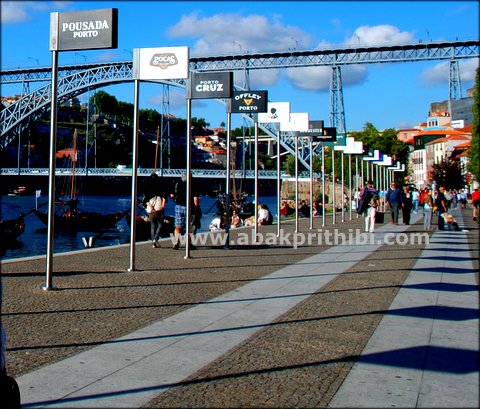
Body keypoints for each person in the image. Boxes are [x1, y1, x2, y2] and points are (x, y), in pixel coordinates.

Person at [170, 172, 199, 250]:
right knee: (190, 226)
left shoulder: (177, 184)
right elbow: (195, 198)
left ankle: (176, 242)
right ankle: (188, 243)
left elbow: (172, 195)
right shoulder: (193, 185)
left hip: (178, 206)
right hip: (190, 207)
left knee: (178, 226)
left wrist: (176, 199)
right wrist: (197, 208)